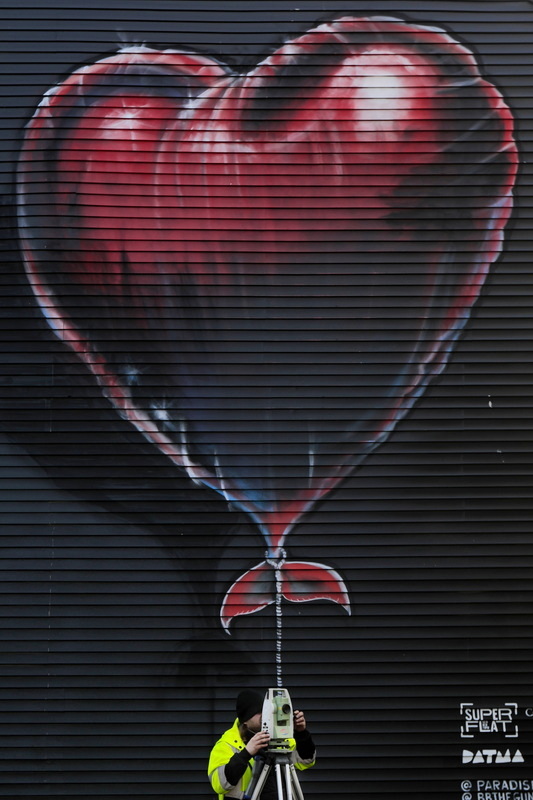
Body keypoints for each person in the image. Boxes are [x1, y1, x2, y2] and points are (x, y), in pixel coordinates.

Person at [208, 689, 316, 799]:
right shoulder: (226, 745)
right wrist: (246, 754)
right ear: (245, 719)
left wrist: (301, 732)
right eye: (258, 712)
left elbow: (306, 761)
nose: (263, 715)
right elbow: (220, 785)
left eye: (265, 710)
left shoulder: (279, 739)